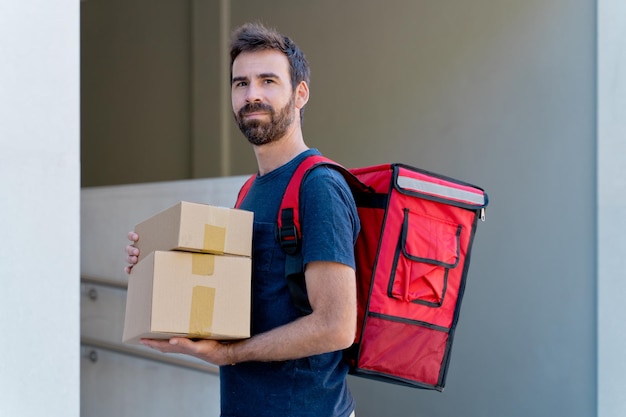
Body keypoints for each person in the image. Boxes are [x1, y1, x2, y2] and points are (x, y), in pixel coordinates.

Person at [125, 22, 359, 417]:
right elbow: (238, 303)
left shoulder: (318, 186)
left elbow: (336, 326)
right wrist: (156, 268)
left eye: (268, 80)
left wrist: (230, 354)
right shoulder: (250, 190)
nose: (252, 95)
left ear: (300, 94)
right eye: (240, 84)